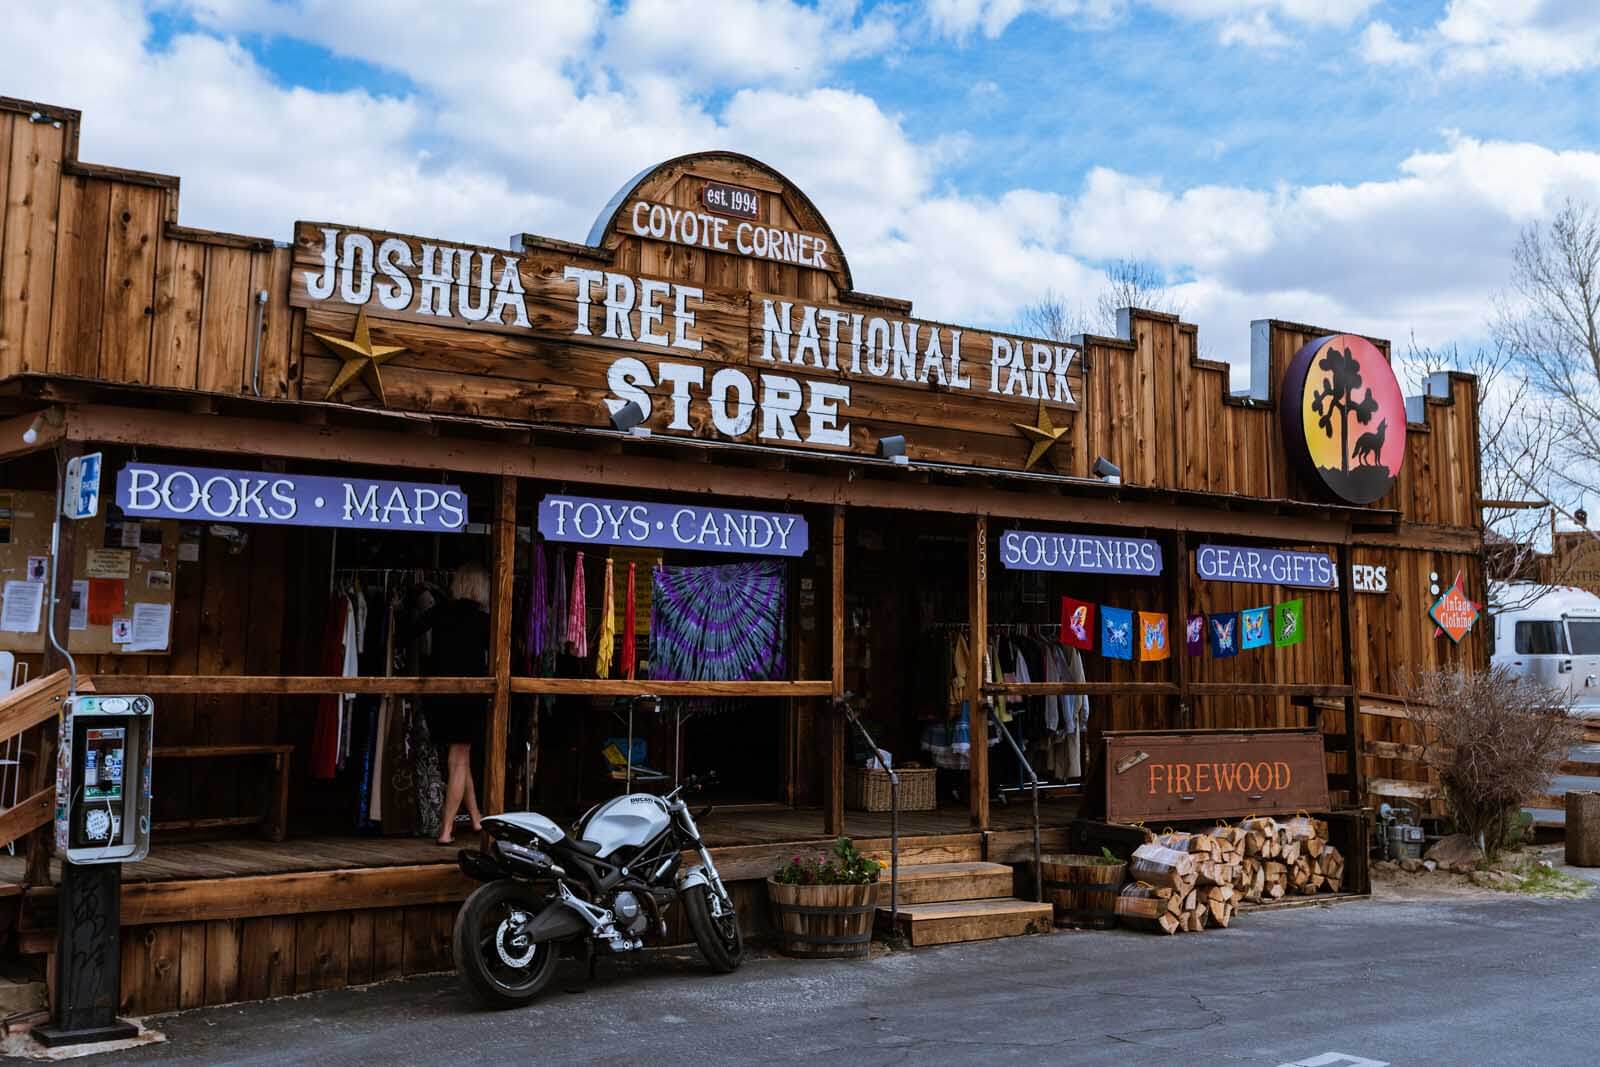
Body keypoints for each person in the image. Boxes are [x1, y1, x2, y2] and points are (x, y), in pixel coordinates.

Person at [415, 561, 492, 845]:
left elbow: (410, 630)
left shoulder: (440, 611)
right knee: (457, 759)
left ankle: (475, 819)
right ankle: (446, 830)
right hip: (469, 696)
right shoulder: (484, 620)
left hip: (439, 695)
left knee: (460, 757)